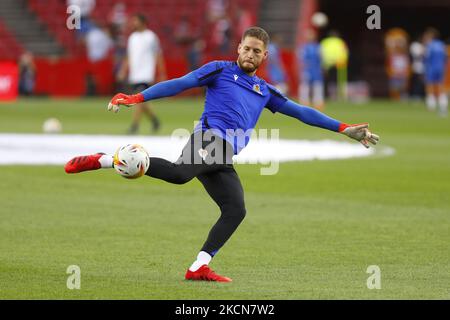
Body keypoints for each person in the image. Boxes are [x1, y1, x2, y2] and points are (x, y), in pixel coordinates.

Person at [64, 27, 379, 282]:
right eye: (246, 48)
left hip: (223, 154)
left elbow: (302, 112)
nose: (250, 54)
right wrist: (136, 97)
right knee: (178, 174)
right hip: (209, 139)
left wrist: (344, 129)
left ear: (264, 56)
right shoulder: (219, 70)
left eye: (257, 51)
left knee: (235, 209)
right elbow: (180, 84)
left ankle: (199, 266)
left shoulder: (265, 91)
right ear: (238, 48)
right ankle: (106, 158)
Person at [117, 14, 166, 134]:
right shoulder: (132, 37)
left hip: (146, 72)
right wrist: (123, 70)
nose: (133, 23)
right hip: (135, 73)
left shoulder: (151, 37)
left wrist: (161, 72)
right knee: (142, 101)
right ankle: (155, 120)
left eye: (136, 21)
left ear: (143, 22)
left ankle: (134, 126)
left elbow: (158, 54)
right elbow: (128, 56)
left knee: (138, 99)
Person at [422, 28, 448, 116]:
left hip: (431, 68)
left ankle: (431, 107)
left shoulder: (430, 45)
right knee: (441, 88)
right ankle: (443, 107)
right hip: (441, 68)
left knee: (430, 87)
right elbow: (445, 57)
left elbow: (426, 57)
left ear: (431, 37)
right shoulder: (442, 45)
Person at [298, 29, 324, 109]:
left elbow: (321, 58)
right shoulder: (303, 47)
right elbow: (301, 59)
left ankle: (318, 102)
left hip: (316, 69)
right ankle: (304, 101)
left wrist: (322, 68)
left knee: (318, 85)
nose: (309, 37)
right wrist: (303, 68)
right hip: (307, 69)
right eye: (308, 35)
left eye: (311, 35)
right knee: (305, 85)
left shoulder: (318, 46)